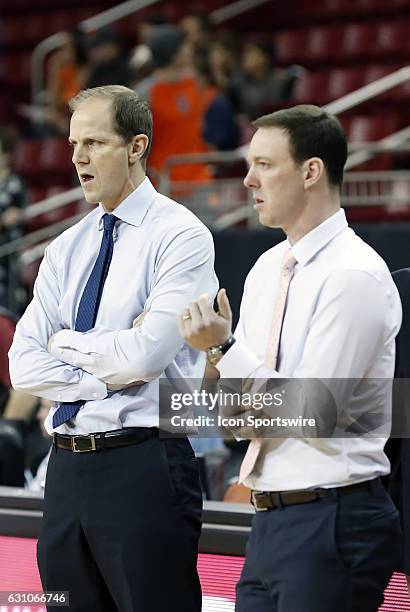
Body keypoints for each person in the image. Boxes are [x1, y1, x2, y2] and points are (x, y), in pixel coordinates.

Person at [178, 104, 402, 612]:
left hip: (333, 517)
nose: (249, 179)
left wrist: (223, 350)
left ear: (311, 171)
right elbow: (235, 421)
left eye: (264, 163)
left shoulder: (354, 275)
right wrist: (222, 371)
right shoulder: (264, 269)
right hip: (271, 519)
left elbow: (313, 415)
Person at [9, 84, 218, 612]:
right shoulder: (65, 247)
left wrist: (65, 344)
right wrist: (106, 365)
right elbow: (23, 365)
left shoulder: (180, 236)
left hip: (144, 464)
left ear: (136, 146)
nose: (77, 157)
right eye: (74, 143)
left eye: (95, 143)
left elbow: (146, 357)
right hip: (66, 470)